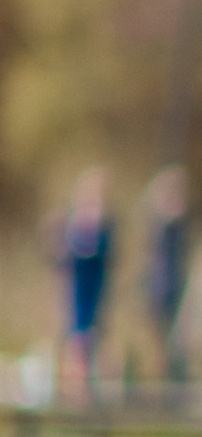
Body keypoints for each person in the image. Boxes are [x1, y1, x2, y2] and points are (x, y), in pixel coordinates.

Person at [50, 171, 114, 406]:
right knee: (77, 340)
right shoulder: (72, 224)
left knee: (92, 339)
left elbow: (105, 256)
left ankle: (88, 394)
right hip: (77, 293)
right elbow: (65, 259)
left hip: (95, 291)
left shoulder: (104, 225)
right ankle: (74, 393)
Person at [140, 168, 191, 390]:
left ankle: (172, 376)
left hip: (176, 279)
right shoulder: (158, 217)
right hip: (160, 281)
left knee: (176, 334)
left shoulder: (181, 216)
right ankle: (160, 379)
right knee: (160, 334)